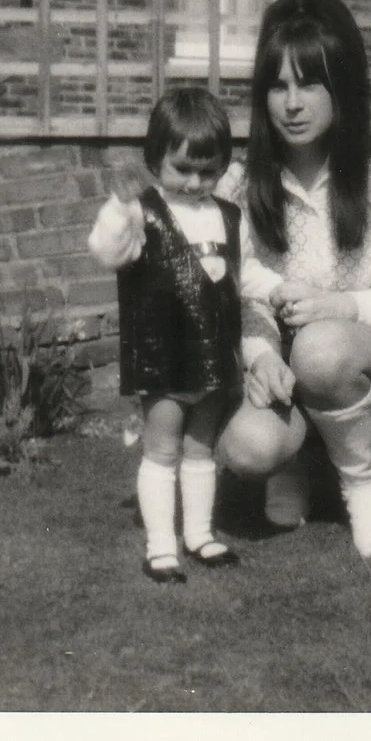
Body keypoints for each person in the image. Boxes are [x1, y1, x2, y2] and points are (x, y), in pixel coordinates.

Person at [212, 0, 371, 559]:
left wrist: (340, 308)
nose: (293, 103)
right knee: (247, 449)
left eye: (309, 83)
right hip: (280, 357)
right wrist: (258, 359)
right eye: (278, 86)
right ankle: (296, 465)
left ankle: (362, 482)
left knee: (322, 349)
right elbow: (235, 292)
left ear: (343, 86)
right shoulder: (237, 185)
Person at [88, 87, 294, 583]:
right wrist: (120, 207)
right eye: (183, 169)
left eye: (210, 171)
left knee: (201, 449)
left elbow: (246, 277)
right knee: (163, 448)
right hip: (163, 353)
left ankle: (199, 534)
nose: (197, 181)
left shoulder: (228, 216)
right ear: (155, 158)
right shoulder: (143, 212)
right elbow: (105, 251)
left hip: (214, 354)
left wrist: (284, 288)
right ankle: (161, 545)